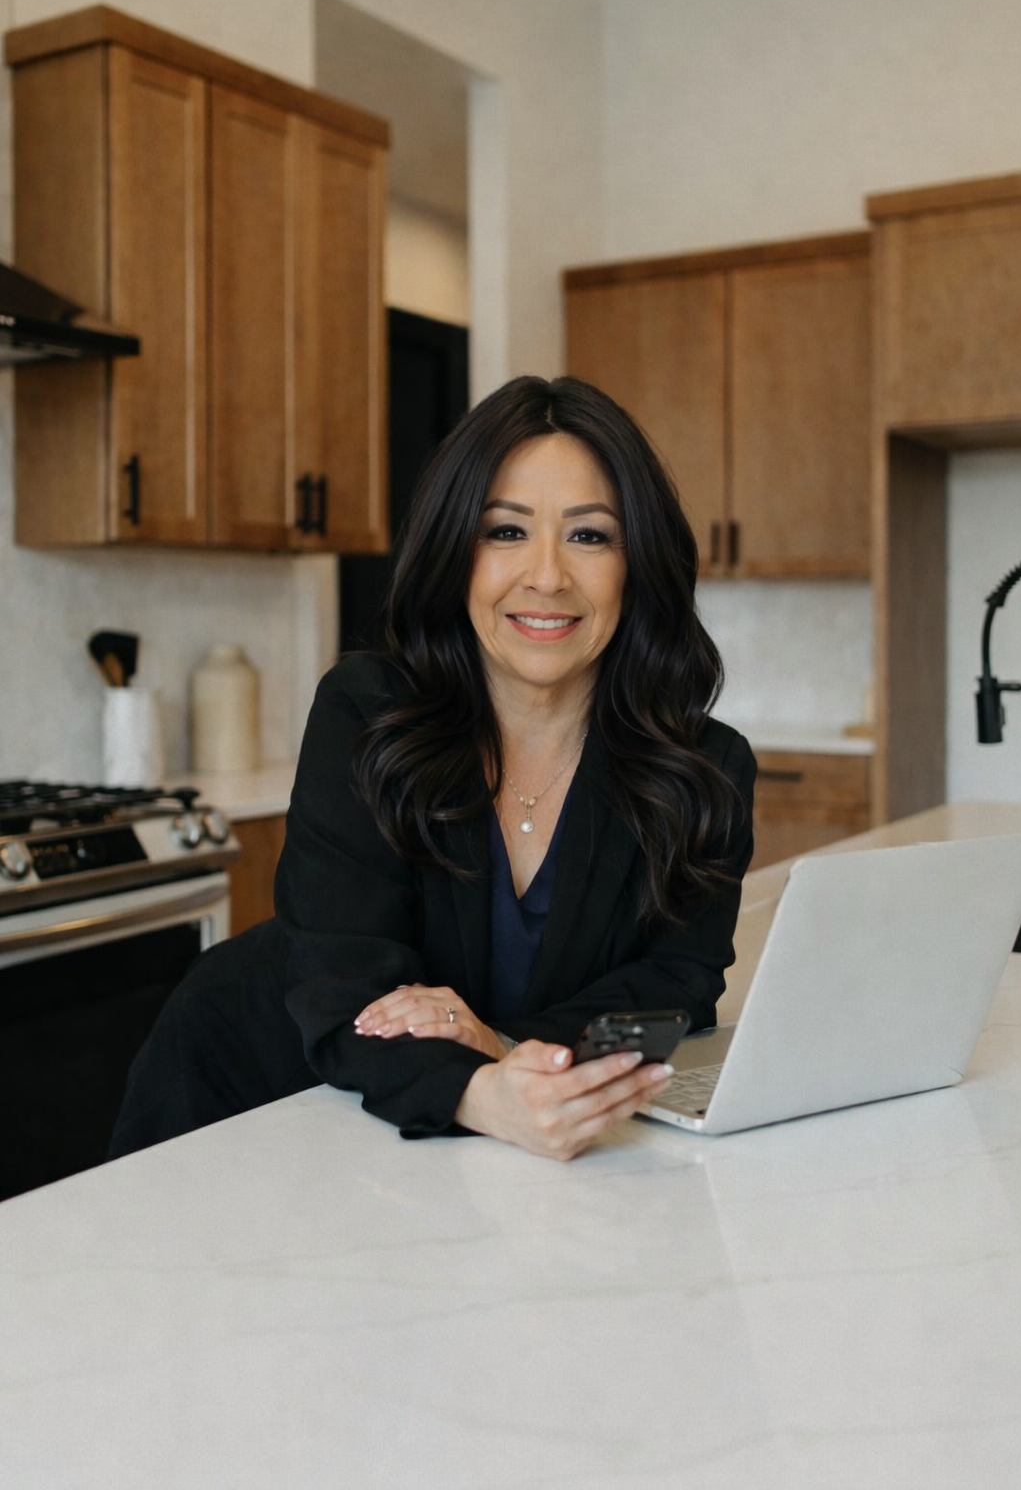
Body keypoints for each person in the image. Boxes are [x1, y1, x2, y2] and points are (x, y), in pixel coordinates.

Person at [110, 375, 755, 1163]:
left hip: (452, 1152)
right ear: (456, 553)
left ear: (638, 562)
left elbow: (676, 988)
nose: (547, 575)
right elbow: (348, 980)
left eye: (590, 536)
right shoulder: (366, 713)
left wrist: (500, 1045)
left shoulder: (704, 768)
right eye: (505, 531)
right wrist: (481, 1091)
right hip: (259, 1091)